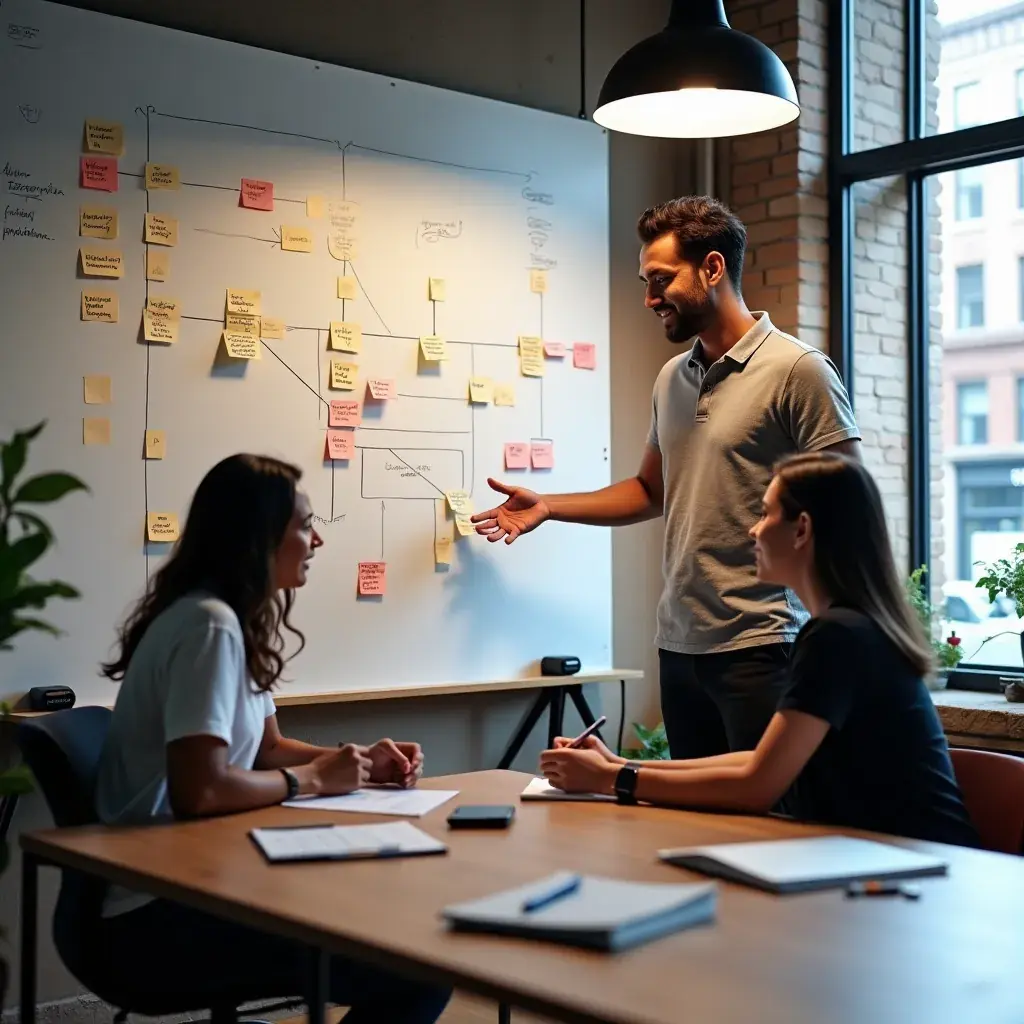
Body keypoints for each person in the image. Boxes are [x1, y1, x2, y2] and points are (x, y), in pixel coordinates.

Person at [472, 195, 862, 761]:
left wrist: (835, 634)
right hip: (681, 648)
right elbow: (651, 491)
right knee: (690, 821)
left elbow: (848, 505)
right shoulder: (671, 378)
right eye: (645, 282)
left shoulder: (798, 371)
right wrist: (549, 505)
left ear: (712, 269)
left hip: (766, 644)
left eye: (660, 279)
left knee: (771, 831)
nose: (650, 298)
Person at [94, 453, 451, 1024]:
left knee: (383, 928)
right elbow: (201, 791)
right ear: (259, 537)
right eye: (305, 526)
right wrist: (312, 779)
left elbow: (267, 750)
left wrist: (355, 763)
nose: (317, 542)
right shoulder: (209, 625)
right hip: (159, 913)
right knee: (418, 969)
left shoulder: (224, 617)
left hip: (197, 878)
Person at [538, 453, 980, 849]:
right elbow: (761, 760)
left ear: (802, 528)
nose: (753, 528)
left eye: (766, 513)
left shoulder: (838, 636)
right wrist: (615, 765)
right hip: (878, 859)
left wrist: (611, 780)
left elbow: (756, 786)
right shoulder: (848, 628)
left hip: (916, 875)